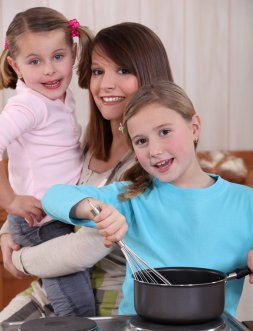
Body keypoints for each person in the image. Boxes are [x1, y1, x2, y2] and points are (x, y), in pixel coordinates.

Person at [0, 22, 173, 321]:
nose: (106, 84)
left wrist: (20, 259)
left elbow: (88, 245)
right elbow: (44, 184)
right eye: (97, 71)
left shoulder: (151, 162)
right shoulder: (90, 145)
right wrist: (9, 227)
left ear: (149, 77)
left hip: (113, 304)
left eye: (123, 71)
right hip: (54, 289)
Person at [42, 80, 253, 318]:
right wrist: (93, 209)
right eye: (141, 141)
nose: (154, 150)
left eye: (165, 132)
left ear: (194, 127)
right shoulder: (132, 197)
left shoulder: (246, 203)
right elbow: (53, 196)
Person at [0, 6, 96, 317]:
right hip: (42, 223)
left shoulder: (60, 97)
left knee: (72, 300)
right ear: (15, 65)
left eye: (58, 56)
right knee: (76, 308)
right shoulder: (28, 105)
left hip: (58, 215)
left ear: (74, 52)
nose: (50, 70)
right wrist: (10, 200)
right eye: (34, 61)